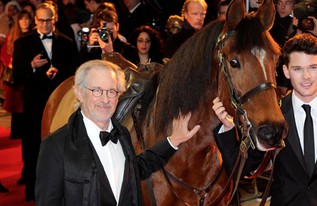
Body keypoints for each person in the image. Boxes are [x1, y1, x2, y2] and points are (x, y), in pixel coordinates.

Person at [214, 33, 317, 205]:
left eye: (312, 67)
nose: (306, 76)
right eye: (297, 69)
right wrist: (228, 130)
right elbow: (243, 170)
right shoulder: (275, 115)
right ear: (286, 71)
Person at [35, 59, 201, 205]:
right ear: (79, 93)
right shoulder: (55, 145)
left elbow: (136, 169)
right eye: (97, 90)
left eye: (112, 91)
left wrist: (173, 140)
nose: (106, 99)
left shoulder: (121, 133)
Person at [12, 2, 78, 201]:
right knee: (33, 149)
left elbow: (75, 72)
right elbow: (17, 77)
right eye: (41, 20)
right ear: (35, 20)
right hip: (34, 105)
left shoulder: (67, 42)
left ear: (54, 19)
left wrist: (59, 72)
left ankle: (64, 192)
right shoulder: (22, 43)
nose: (45, 24)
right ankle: (32, 191)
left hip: (60, 105)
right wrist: (32, 66)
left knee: (62, 149)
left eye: (48, 20)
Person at [1, 10, 34, 140]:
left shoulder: (33, 35)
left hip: (29, 73)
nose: (25, 22)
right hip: (15, 76)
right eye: (22, 19)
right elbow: (4, 53)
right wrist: (10, 63)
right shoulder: (12, 34)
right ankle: (16, 132)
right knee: (16, 105)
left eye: (27, 19)